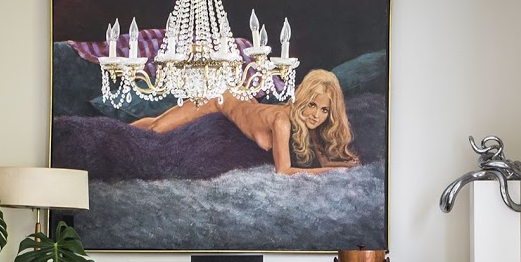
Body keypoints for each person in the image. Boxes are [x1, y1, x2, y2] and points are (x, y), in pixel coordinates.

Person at [129, 68, 360, 176]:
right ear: (302, 100)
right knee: (156, 127)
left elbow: (318, 160)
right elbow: (283, 171)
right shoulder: (282, 121)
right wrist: (337, 170)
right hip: (220, 97)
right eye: (311, 105)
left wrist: (340, 164)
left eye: (324, 110)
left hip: (245, 102)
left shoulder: (306, 127)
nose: (316, 115)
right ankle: (122, 130)